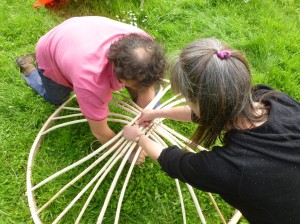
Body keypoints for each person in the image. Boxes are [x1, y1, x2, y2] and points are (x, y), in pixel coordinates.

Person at [122, 38, 300, 223]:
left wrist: (139, 138)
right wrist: (156, 113)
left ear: (202, 103)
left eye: (187, 99)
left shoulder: (229, 166)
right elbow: (210, 113)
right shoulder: (272, 98)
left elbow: (177, 163)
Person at [16, 16, 167, 164]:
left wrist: (148, 113)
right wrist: (126, 152)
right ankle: (28, 68)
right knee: (56, 98)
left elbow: (146, 88)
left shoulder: (144, 46)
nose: (146, 88)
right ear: (119, 76)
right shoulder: (90, 80)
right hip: (52, 50)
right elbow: (100, 131)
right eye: (138, 85)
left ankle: (65, 48)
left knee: (144, 86)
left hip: (82, 30)